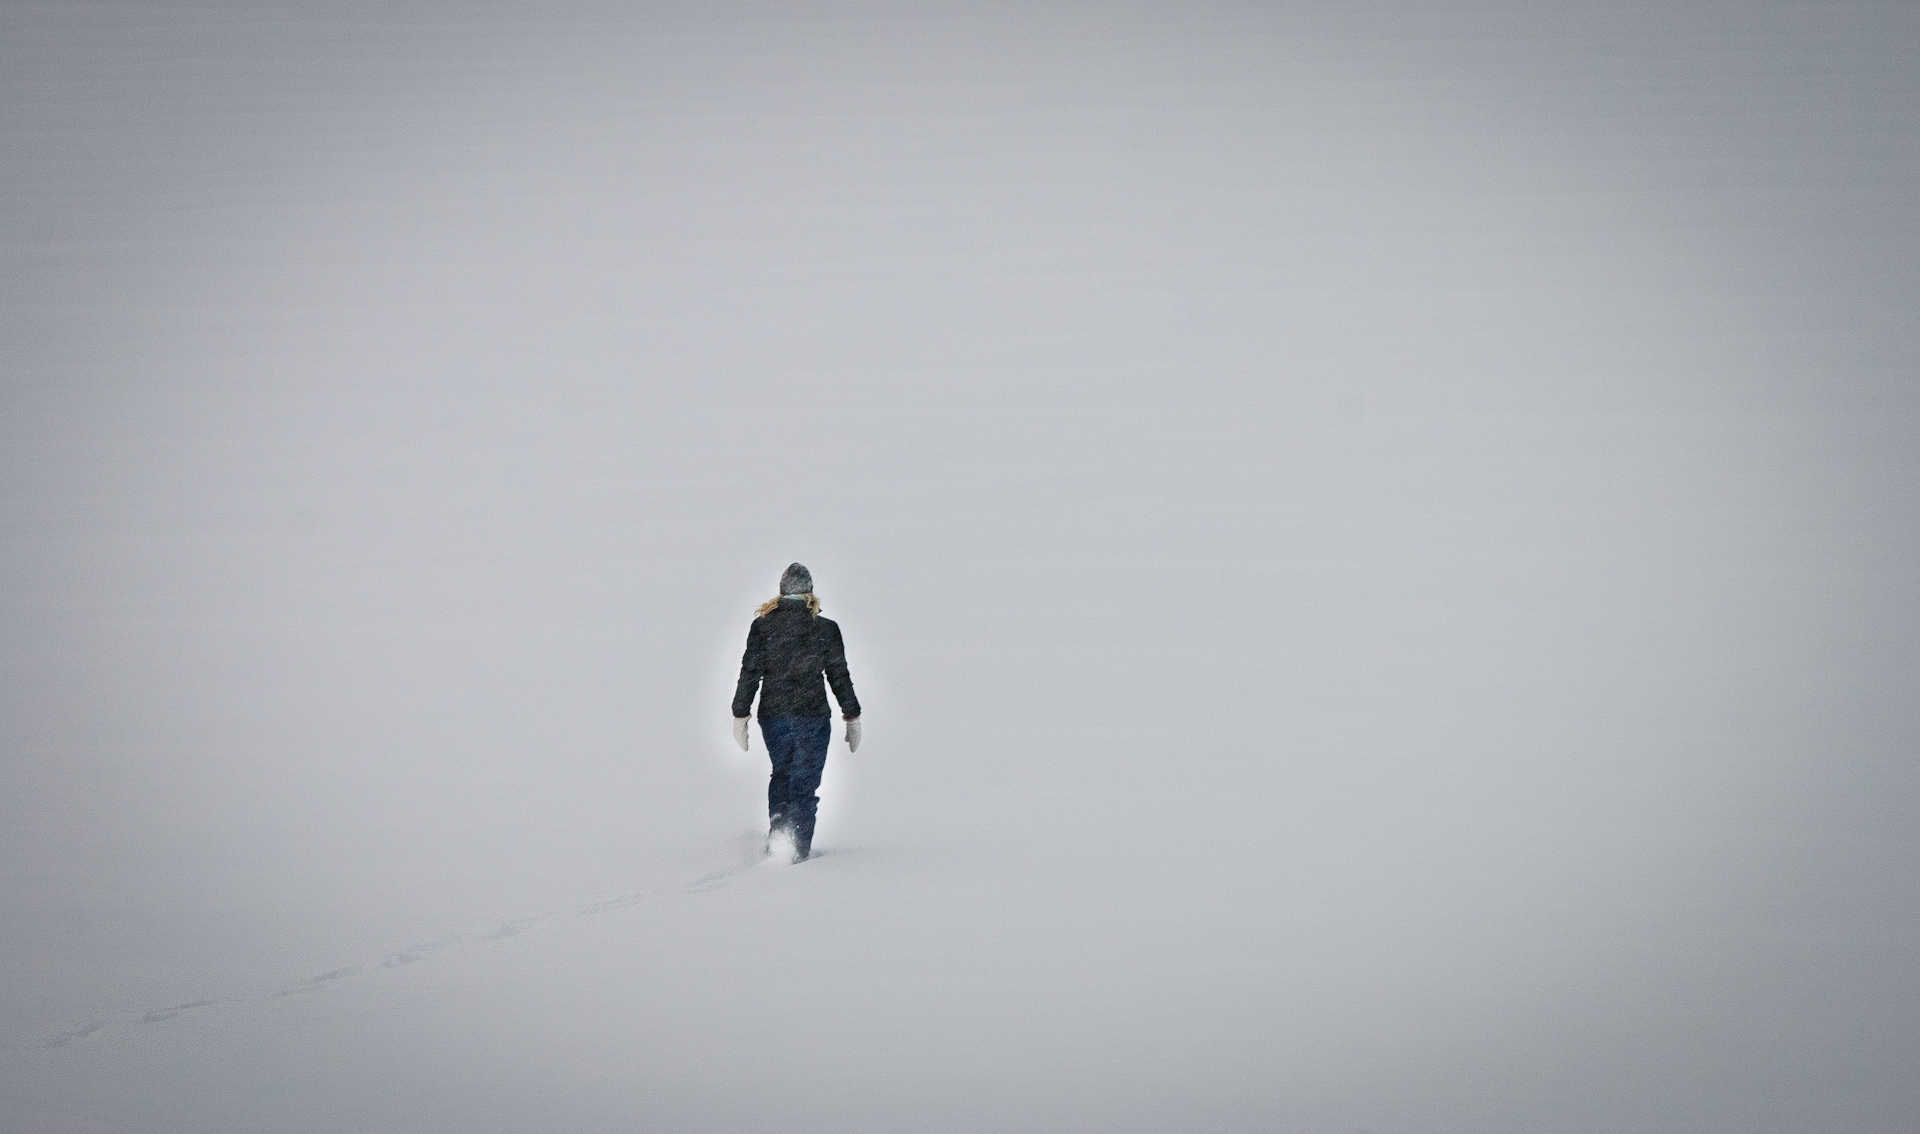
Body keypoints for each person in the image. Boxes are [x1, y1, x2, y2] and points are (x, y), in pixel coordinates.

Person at [731, 562, 862, 862]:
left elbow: (750, 672)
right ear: (809, 592)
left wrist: (740, 714)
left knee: (782, 774)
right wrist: (852, 715)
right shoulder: (825, 628)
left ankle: (779, 838)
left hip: (773, 716)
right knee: (804, 782)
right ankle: (796, 849)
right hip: (811, 715)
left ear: (781, 592)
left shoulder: (762, 626)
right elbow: (838, 674)